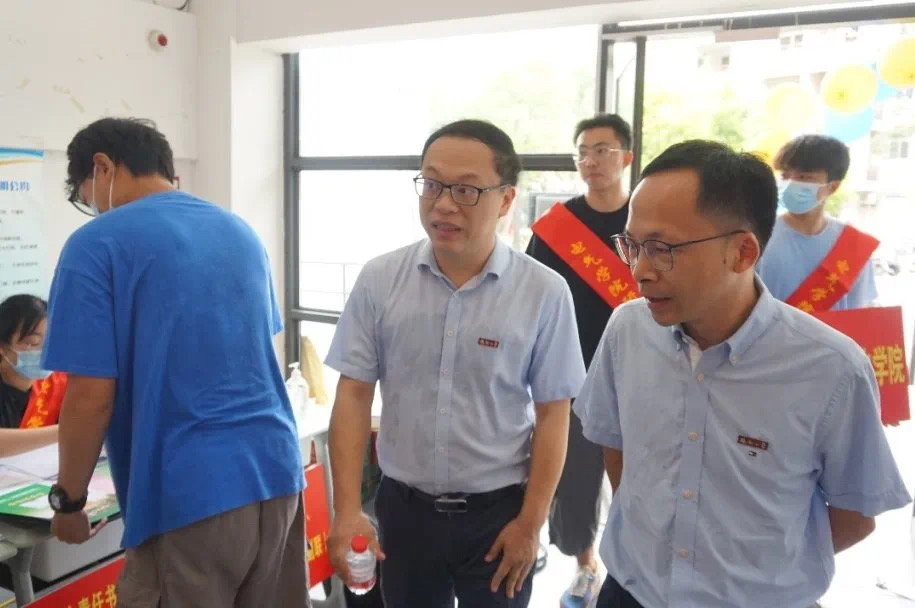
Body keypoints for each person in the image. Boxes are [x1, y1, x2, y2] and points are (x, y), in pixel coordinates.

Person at [574, 140, 910, 608]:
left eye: (662, 249)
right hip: (631, 593)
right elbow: (616, 445)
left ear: (743, 252)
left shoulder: (832, 369)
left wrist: (750, 571)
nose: (640, 270)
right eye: (632, 245)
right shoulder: (628, 330)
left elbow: (855, 515)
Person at [41, 118, 307, 607]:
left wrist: (69, 502)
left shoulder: (96, 243)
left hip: (190, 494)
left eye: (85, 195)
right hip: (278, 474)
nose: (93, 207)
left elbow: (90, 397)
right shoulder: (238, 231)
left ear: (103, 167)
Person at [325, 119, 586, 607]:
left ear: (506, 200)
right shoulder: (380, 280)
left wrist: (531, 524)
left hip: (499, 516)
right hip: (404, 512)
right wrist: (346, 511)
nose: (443, 204)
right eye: (431, 184)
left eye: (466, 190)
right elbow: (354, 393)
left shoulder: (544, 292)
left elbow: (554, 413)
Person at [525, 113, 634, 604]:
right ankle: (586, 565)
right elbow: (529, 299)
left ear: (626, 157)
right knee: (576, 485)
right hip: (573, 378)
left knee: (639, 481)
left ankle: (634, 567)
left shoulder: (647, 221)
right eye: (583, 152)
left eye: (602, 150)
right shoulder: (556, 229)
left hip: (642, 375)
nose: (591, 160)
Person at [758, 134, 878, 312]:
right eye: (785, 175)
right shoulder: (758, 236)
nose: (791, 184)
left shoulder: (854, 245)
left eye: (804, 177)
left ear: (832, 187)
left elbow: (859, 312)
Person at [0, 294, 66, 431]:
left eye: (50, 341)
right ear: (2, 347)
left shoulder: (59, 383)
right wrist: (64, 431)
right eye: (33, 343)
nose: (45, 351)